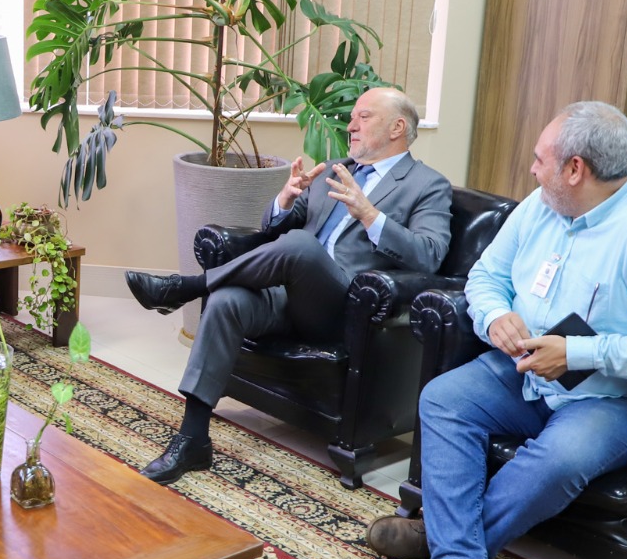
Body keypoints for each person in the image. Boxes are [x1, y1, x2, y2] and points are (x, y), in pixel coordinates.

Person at [365, 101, 627, 559]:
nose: (531, 168)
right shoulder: (540, 205)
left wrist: (577, 353)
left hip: (605, 394)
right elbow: (486, 276)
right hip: (522, 368)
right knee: (443, 398)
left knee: (560, 459)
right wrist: (496, 314)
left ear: (576, 169)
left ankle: (447, 547)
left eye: (539, 158)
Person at [126, 87, 452, 484]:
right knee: (228, 299)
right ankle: (193, 439)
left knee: (300, 245)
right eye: (352, 116)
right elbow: (272, 231)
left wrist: (369, 214)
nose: (350, 125)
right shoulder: (334, 169)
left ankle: (188, 287)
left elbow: (430, 254)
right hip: (291, 294)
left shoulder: (427, 185)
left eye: (364, 117)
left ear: (398, 127)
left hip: (346, 309)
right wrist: (284, 199)